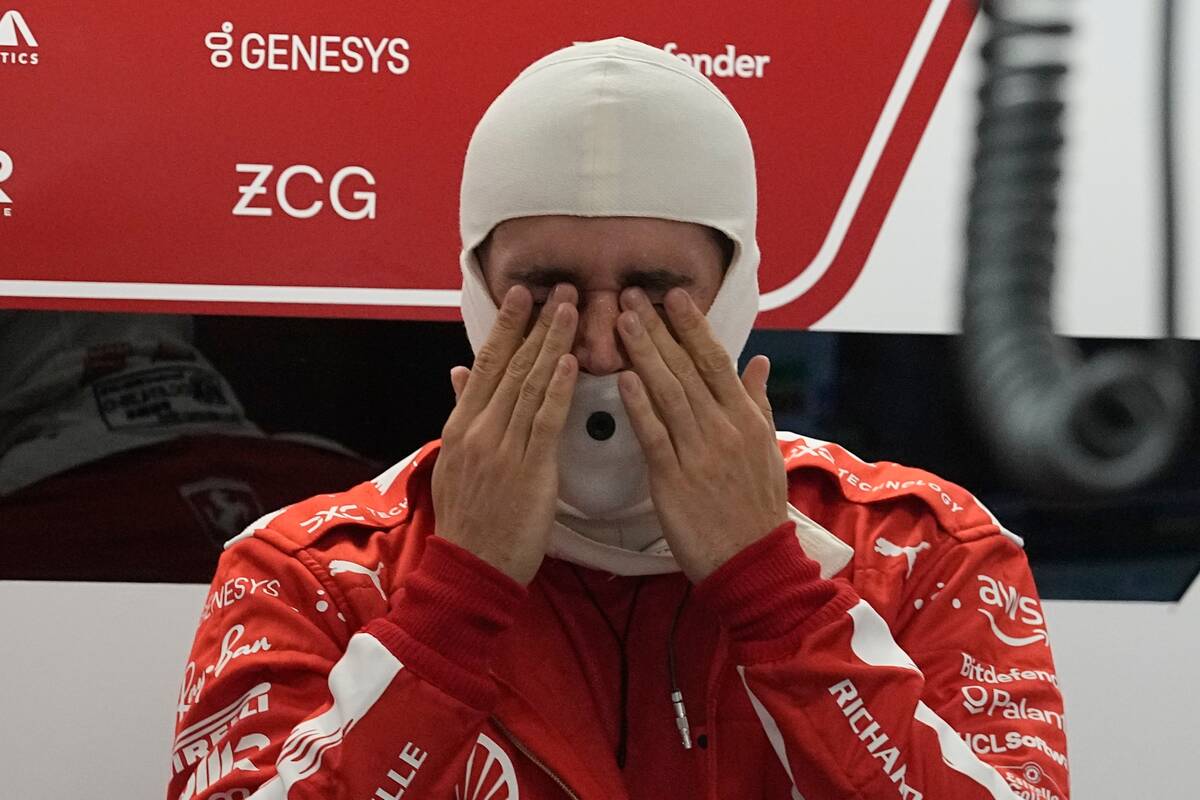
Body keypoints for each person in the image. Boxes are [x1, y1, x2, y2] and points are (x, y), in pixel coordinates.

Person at [168, 38, 1068, 800]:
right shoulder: (306, 573)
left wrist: (776, 594)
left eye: (654, 292)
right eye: (546, 290)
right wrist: (453, 602)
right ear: (476, 287)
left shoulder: (924, 552)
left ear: (738, 289)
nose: (598, 346)